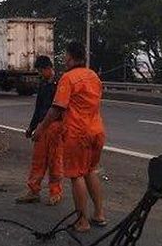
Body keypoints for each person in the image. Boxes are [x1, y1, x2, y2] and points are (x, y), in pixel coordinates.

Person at [33, 42, 106, 233]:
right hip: (97, 131)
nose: (64, 59)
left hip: (78, 133)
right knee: (91, 171)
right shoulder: (93, 76)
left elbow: (56, 108)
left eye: (65, 56)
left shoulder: (68, 78)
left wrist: (40, 129)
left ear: (71, 57)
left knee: (76, 176)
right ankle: (99, 214)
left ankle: (82, 222)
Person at [15, 56, 64, 206]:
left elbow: (58, 109)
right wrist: (31, 127)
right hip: (42, 127)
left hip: (56, 127)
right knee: (38, 160)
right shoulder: (43, 84)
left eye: (41, 71)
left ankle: (55, 192)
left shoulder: (61, 84)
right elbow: (38, 109)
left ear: (48, 68)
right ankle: (33, 191)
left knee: (55, 160)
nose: (40, 74)